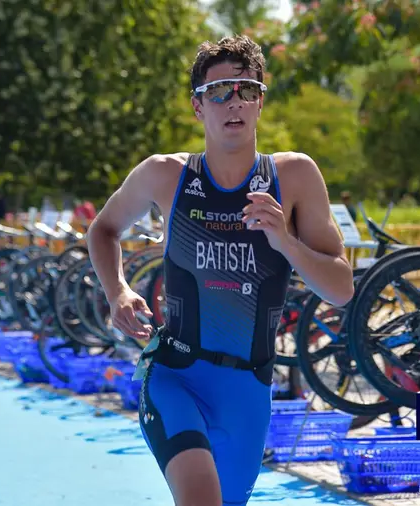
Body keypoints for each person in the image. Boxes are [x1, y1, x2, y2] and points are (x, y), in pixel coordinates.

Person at [85, 35, 354, 506]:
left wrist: (286, 242)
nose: (234, 102)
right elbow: (103, 229)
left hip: (248, 390)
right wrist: (118, 291)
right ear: (197, 105)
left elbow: (342, 289)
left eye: (246, 90)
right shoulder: (165, 175)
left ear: (260, 101)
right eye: (219, 91)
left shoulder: (293, 177)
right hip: (176, 374)